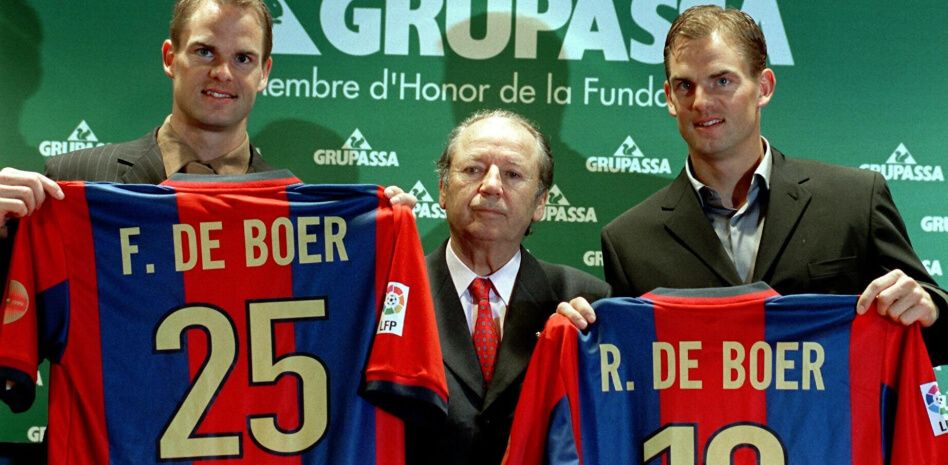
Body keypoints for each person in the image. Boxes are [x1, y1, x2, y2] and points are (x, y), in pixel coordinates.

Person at [557, 5, 947, 365]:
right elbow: (630, 378)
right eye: (685, 86)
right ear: (669, 98)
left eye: (721, 81)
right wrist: (580, 342)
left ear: (764, 87)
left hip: (838, 440)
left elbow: (936, 334)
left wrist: (927, 311)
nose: (701, 102)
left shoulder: (854, 200)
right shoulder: (629, 241)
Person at [0, 0, 414, 248]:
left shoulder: (298, 215)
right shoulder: (73, 183)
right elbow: (19, 328)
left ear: (265, 72)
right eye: (204, 52)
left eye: (243, 58)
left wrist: (382, 238)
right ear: (169, 58)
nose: (222, 72)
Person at [405, 109, 610, 465]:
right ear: (441, 188)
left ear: (541, 203)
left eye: (513, 174)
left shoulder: (587, 302)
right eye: (473, 170)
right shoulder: (397, 295)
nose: (491, 185)